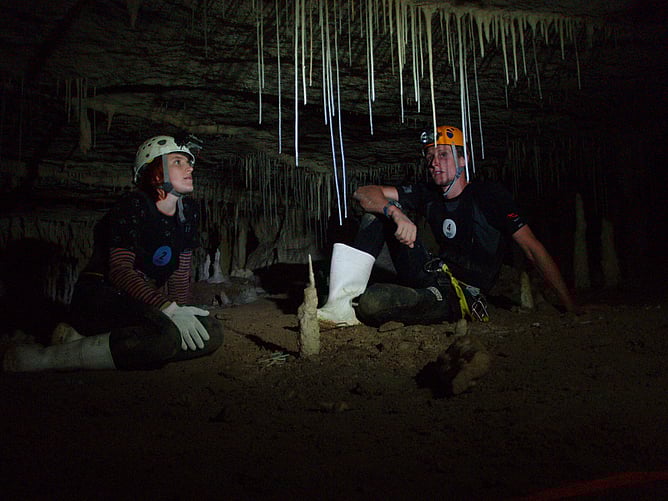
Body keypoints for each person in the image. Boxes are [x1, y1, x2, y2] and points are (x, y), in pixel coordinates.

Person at [317, 125, 577, 327]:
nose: (434, 162)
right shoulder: (427, 193)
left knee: (373, 303)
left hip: (461, 293)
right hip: (431, 270)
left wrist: (570, 306)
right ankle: (339, 306)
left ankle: (391, 300)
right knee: (378, 213)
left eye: (443, 154)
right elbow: (363, 193)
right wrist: (395, 213)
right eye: (430, 156)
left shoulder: (490, 196)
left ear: (463, 159)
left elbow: (532, 249)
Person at [3, 134, 223, 371]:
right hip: (102, 297)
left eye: (189, 162)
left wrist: (182, 313)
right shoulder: (133, 205)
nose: (189, 167)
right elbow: (120, 271)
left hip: (142, 302)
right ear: (156, 172)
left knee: (210, 331)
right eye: (177, 162)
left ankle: (92, 344)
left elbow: (180, 274)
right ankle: (45, 359)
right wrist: (167, 309)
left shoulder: (188, 213)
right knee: (164, 336)